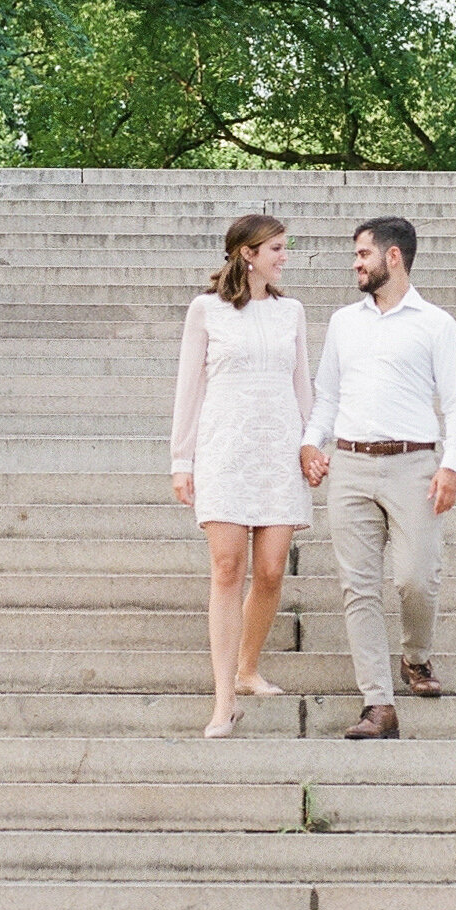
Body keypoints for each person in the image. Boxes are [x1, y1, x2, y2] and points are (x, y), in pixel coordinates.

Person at [300, 216, 456, 740]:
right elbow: (326, 394)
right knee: (359, 589)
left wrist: (452, 465)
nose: (356, 264)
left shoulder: (436, 324)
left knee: (415, 579)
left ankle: (416, 657)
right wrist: (312, 441)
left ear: (392, 256)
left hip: (414, 465)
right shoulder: (342, 323)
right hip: (350, 465)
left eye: (363, 254)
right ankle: (378, 705)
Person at [170, 213, 316, 738]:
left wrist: (311, 444)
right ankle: (223, 700)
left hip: (278, 451)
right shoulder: (205, 310)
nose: (284, 256)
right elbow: (189, 389)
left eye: (284, 247)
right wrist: (181, 461)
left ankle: (248, 666)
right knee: (228, 569)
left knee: (273, 569)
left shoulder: (292, 312)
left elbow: (304, 387)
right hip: (224, 450)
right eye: (276, 248)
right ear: (247, 253)